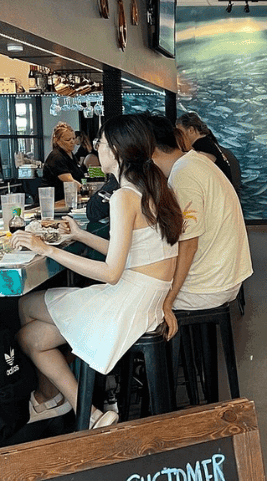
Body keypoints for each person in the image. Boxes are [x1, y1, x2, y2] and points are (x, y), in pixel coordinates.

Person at [14, 115, 182, 430]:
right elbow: (130, 252)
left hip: (127, 304)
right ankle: (88, 413)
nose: (96, 149)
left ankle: (56, 400)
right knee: (30, 337)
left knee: (25, 304)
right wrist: (80, 235)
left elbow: (111, 272)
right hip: (147, 301)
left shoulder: (123, 196)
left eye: (100, 143)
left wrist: (47, 249)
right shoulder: (152, 189)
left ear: (116, 150)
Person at [148, 116, 252, 326]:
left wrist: (168, 301)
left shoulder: (183, 174)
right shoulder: (194, 161)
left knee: (144, 301)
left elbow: (189, 245)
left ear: (150, 150)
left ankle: (170, 346)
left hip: (209, 286)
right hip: (227, 275)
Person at [176, 112, 234, 186]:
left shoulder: (201, 147)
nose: (179, 137)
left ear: (191, 130)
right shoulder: (208, 140)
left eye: (180, 132)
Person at [42, 122, 85, 194]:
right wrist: (84, 189)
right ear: (58, 141)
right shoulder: (56, 157)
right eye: (68, 140)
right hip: (54, 198)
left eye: (73, 138)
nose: (72, 142)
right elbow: (70, 181)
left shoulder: (71, 155)